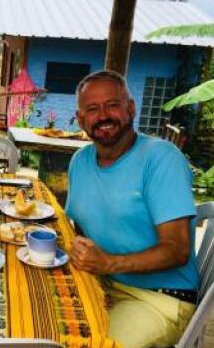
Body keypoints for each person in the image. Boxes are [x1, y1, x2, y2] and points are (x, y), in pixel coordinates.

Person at [65, 69, 199, 348]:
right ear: (80, 119)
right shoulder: (80, 161)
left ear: (130, 107)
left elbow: (177, 249)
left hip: (158, 297)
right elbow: (80, 227)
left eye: (112, 104)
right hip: (104, 284)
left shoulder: (161, 158)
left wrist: (108, 263)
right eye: (92, 108)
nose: (103, 116)